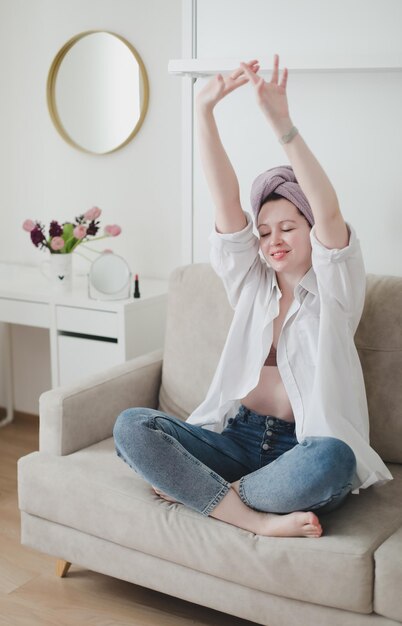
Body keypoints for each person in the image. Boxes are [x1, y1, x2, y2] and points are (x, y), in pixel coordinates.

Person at [113, 54, 392, 538]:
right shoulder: (251, 283)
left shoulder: (336, 292)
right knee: (132, 426)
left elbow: (329, 212)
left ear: (312, 232)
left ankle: (205, 492)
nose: (274, 241)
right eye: (265, 232)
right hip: (235, 438)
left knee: (334, 458)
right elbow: (225, 203)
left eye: (288, 227)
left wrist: (281, 123)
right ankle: (253, 519)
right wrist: (204, 112)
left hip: (300, 450)